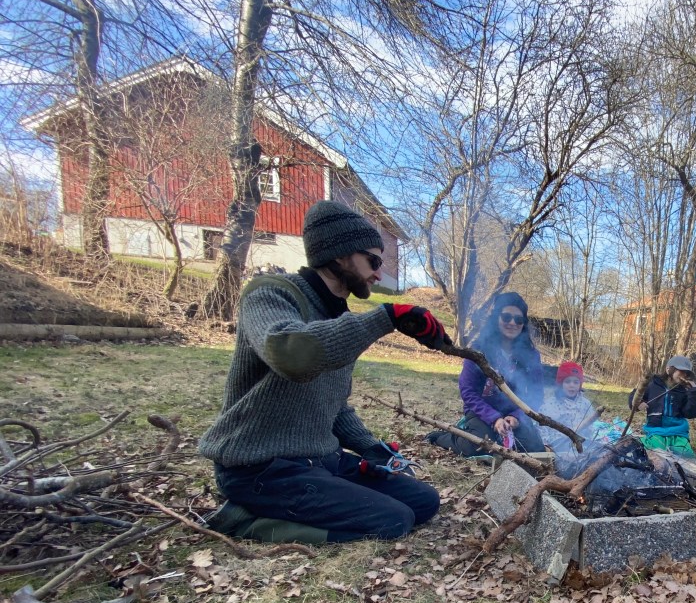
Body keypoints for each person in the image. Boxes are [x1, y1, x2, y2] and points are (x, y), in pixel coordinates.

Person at [199, 200, 450, 543]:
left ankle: (319, 493)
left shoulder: (338, 319)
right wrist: (386, 317)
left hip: (320, 460)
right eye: (373, 261)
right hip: (261, 469)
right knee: (393, 521)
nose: (378, 273)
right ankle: (242, 519)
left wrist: (373, 449)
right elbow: (292, 356)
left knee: (423, 502)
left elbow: (334, 406)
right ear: (340, 254)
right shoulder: (269, 293)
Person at [428, 292, 546, 456]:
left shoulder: (531, 356)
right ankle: (444, 437)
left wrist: (517, 417)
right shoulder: (479, 349)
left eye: (518, 319)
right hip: (481, 412)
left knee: (535, 449)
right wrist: (494, 418)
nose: (512, 323)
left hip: (514, 416)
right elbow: (468, 391)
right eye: (506, 317)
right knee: (480, 446)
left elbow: (536, 394)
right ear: (496, 318)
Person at [632, 354, 696, 458]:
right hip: (656, 430)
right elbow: (634, 395)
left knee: (687, 457)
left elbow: (691, 413)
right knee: (656, 453)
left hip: (678, 432)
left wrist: (694, 393)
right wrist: (638, 403)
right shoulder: (653, 384)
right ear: (669, 369)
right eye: (681, 371)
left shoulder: (685, 390)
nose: (684, 375)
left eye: (686, 373)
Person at [539, 361, 597, 458]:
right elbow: (542, 429)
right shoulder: (549, 405)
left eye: (576, 382)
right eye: (567, 381)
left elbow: (591, 427)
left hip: (582, 446)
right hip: (558, 447)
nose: (572, 385)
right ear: (560, 384)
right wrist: (547, 446)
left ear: (580, 384)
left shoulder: (585, 404)